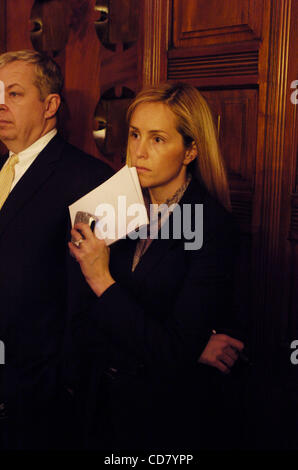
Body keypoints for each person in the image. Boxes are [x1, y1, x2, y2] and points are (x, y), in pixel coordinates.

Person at [69, 82, 245, 450]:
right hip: (98, 408)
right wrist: (187, 346)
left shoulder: (211, 226)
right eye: (135, 135)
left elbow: (172, 351)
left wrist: (102, 280)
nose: (139, 151)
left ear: (190, 150)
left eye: (158, 139)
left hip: (163, 421)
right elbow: (83, 315)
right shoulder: (115, 206)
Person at [0, 50, 113, 450]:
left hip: (36, 393)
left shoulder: (89, 179)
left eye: (14, 94)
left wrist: (61, 384)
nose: (1, 104)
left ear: (50, 105)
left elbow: (87, 296)